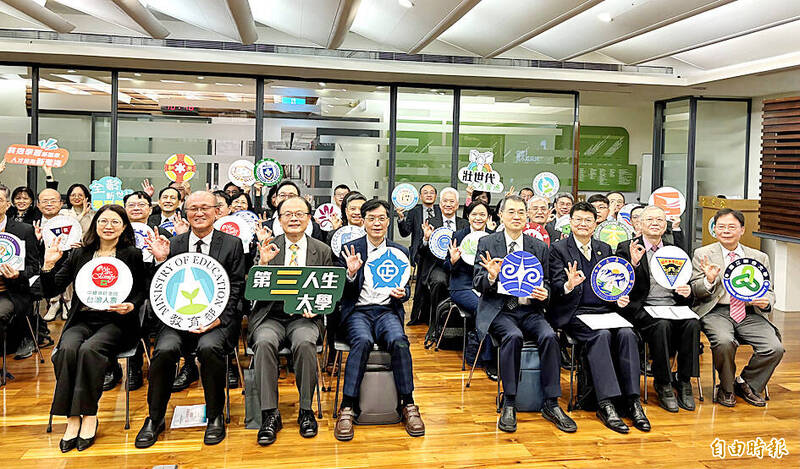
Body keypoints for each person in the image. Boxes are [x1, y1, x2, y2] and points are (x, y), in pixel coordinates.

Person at [135, 191, 245, 448]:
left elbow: (238, 288)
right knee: (164, 350)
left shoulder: (232, 244)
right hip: (176, 321)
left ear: (217, 211)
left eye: (205, 207)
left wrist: (219, 320)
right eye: (193, 208)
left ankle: (215, 415)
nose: (199, 213)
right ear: (185, 212)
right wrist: (161, 260)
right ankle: (155, 417)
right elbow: (159, 287)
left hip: (215, 322)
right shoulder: (173, 244)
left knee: (209, 348)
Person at [41, 205, 146, 452]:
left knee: (90, 350)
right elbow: (51, 289)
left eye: (114, 222)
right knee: (66, 349)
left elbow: (142, 290)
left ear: (123, 227)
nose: (108, 226)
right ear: (95, 225)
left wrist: (130, 305)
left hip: (116, 322)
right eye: (103, 221)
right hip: (82, 319)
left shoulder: (132, 254)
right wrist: (48, 264)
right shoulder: (80, 255)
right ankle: (72, 418)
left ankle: (88, 415)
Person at [473, 195, 575, 434]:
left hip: (530, 310)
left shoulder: (538, 246)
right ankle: (510, 400)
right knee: (512, 337)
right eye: (511, 212)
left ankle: (551, 402)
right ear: (500, 215)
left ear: (527, 216)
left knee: (550, 336)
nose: (516, 216)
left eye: (521, 212)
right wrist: (491, 276)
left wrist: (544, 293)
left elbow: (548, 283)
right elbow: (478, 283)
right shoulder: (488, 242)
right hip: (500, 311)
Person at [549, 201, 650, 434]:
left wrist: (618, 298)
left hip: (605, 311)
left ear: (596, 224)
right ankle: (606, 403)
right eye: (578, 220)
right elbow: (554, 287)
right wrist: (568, 284)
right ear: (570, 223)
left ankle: (633, 401)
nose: (583, 224)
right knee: (601, 336)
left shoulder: (604, 248)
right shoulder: (559, 249)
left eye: (588, 220)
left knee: (627, 333)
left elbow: (612, 282)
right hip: (575, 313)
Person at [334, 199, 424, 441]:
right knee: (361, 341)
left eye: (381, 218)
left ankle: (408, 403)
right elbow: (340, 292)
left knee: (399, 340)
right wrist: (351, 274)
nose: (377, 223)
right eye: (371, 218)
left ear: (388, 221)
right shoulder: (349, 249)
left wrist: (403, 293)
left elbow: (405, 289)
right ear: (363, 221)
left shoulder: (400, 251)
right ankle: (348, 407)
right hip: (358, 312)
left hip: (386, 311)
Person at [249, 196, 333, 445]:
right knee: (263, 342)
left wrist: (317, 308)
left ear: (309, 218)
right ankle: (269, 413)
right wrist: (262, 263)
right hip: (271, 316)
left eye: (300, 213)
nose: (294, 218)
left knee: (306, 342)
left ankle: (306, 410)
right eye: (287, 214)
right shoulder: (268, 246)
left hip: (304, 318)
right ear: (279, 219)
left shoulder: (322, 250)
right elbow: (253, 291)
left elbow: (329, 292)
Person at [689, 208, 783, 407]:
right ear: (714, 230)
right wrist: (709, 280)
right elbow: (696, 291)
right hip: (716, 311)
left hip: (749, 312)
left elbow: (769, 291)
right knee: (724, 342)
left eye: (731, 227)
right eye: (720, 227)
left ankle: (746, 383)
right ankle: (726, 388)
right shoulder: (703, 254)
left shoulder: (759, 257)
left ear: (742, 229)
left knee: (774, 348)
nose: (726, 231)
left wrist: (766, 302)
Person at [616, 205, 699, 412]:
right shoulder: (626, 247)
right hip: (644, 307)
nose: (655, 223)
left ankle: (684, 380)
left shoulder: (674, 250)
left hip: (672, 305)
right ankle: (663, 382)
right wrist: (633, 265)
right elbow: (619, 283)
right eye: (650, 220)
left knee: (692, 323)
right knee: (661, 325)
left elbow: (685, 282)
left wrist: (687, 291)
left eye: (660, 220)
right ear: (640, 224)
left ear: (666, 225)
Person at [445, 201, 495, 378]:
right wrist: (453, 261)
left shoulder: (493, 237)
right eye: (474, 214)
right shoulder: (458, 235)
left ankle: (496, 354)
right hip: (463, 285)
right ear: (468, 216)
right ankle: (488, 359)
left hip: (486, 284)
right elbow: (447, 267)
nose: (478, 218)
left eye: (482, 214)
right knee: (484, 308)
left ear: (488, 217)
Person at [408, 187, 467, 325]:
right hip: (437, 266)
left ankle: (457, 321)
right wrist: (426, 239)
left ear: (457, 205)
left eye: (452, 201)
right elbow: (421, 252)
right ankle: (436, 321)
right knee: (439, 281)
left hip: (459, 267)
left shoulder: (464, 224)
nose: (448, 204)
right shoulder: (431, 222)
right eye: (445, 201)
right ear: (440, 204)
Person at [0, 189, 40, 375]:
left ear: (7, 205)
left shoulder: (24, 230)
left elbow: (33, 267)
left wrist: (18, 274)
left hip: (10, 291)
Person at [396, 183, 439, 268]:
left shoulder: (441, 211)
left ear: (436, 196)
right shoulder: (414, 212)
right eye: (425, 193)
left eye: (431, 193)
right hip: (419, 253)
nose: (429, 195)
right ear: (420, 196)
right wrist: (401, 218)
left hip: (437, 251)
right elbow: (405, 233)